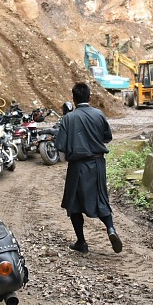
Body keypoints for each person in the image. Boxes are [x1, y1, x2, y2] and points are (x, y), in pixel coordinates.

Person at [55, 82, 122, 254]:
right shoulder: (99, 114)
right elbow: (107, 137)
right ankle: (111, 229)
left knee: (74, 203)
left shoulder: (68, 118)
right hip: (98, 164)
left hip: (77, 166)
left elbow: (60, 146)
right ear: (89, 97)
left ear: (73, 99)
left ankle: (82, 242)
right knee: (101, 198)